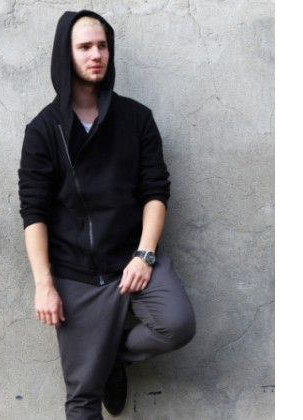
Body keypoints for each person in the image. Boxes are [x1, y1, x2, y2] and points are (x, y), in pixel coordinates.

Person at [18, 9, 196, 419]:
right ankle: (99, 364)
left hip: (132, 260)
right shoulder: (43, 130)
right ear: (66, 55)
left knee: (177, 324)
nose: (96, 54)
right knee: (82, 400)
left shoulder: (136, 118)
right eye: (84, 47)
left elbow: (155, 191)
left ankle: (110, 358)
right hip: (75, 273)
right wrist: (44, 284)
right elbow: (34, 212)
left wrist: (145, 254)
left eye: (102, 46)